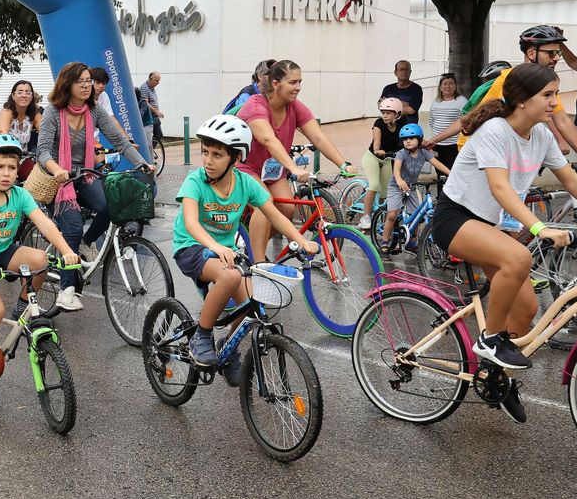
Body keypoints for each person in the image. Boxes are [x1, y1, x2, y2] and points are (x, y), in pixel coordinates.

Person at [427, 63, 577, 422]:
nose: (555, 102)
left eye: (556, 94)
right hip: (456, 217)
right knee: (518, 257)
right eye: (548, 95)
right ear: (521, 100)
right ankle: (489, 340)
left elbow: (572, 181)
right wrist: (539, 228)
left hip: (489, 224)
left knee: (525, 311)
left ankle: (497, 381)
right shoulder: (495, 130)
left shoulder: (540, 136)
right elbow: (500, 187)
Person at [174, 115, 319, 368]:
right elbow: (191, 223)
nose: (208, 160)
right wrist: (216, 247)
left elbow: (275, 215)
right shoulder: (195, 181)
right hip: (192, 247)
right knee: (230, 277)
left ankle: (227, 351)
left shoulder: (245, 184)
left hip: (224, 253)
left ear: (236, 158)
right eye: (205, 152)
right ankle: (202, 336)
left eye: (217, 155)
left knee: (252, 303)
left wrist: (301, 240)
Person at [0, 134, 79, 400]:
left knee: (40, 260)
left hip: (2, 252)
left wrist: (68, 252)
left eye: (12, 167)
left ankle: (23, 308)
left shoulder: (20, 195)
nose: (7, 174)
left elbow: (45, 224)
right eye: (0, 167)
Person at [36, 61, 153, 311]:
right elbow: (43, 151)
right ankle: (67, 291)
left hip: (84, 175)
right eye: (81, 81)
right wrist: (57, 169)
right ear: (67, 84)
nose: (87, 86)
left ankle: (85, 242)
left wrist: (142, 163)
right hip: (58, 180)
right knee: (73, 226)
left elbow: (119, 141)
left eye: (89, 81)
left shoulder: (95, 111)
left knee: (110, 207)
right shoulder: (53, 112)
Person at [236, 59, 357, 262]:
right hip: (245, 167)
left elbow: (317, 137)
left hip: (272, 171)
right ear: (276, 84)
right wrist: (292, 167)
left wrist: (343, 164)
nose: (298, 88)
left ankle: (252, 240)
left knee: (287, 210)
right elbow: (268, 139)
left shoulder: (295, 107)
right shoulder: (255, 105)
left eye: (300, 82)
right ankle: (258, 264)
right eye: (293, 82)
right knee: (264, 204)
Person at [468, 25, 577, 157]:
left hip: (510, 148)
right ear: (532, 53)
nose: (556, 58)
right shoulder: (511, 78)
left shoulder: (545, 82)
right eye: (551, 53)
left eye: (558, 53)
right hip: (480, 146)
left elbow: (562, 120)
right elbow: (488, 117)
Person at [379, 123, 449, 251]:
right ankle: (384, 242)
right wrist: (399, 179)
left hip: (411, 187)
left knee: (416, 215)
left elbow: (437, 165)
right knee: (392, 215)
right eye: (405, 139)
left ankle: (412, 241)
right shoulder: (402, 154)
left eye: (411, 138)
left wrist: (451, 174)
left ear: (420, 139)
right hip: (396, 186)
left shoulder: (424, 153)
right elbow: (396, 169)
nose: (408, 141)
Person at [358, 97, 408, 228]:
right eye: (383, 112)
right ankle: (365, 217)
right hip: (372, 157)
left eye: (388, 113)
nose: (384, 116)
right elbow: (376, 140)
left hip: (387, 159)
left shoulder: (402, 124)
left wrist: (426, 147)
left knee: (386, 192)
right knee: (374, 185)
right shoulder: (379, 123)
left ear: (397, 114)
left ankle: (381, 216)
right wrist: (377, 150)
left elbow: (411, 138)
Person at [0, 79, 40, 179]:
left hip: (22, 158)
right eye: (20, 92)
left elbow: (46, 132)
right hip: (2, 155)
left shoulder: (34, 114)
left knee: (35, 176)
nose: (24, 95)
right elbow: (3, 135)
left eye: (28, 92)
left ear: (32, 97)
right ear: (13, 96)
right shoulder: (7, 112)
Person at [424, 73, 465, 168]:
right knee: (439, 170)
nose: (448, 86)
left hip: (454, 144)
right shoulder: (435, 102)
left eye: (451, 83)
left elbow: (464, 122)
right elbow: (431, 121)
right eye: (445, 84)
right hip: (436, 144)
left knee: (452, 170)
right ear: (440, 87)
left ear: (455, 86)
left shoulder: (461, 101)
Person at [139, 70, 165, 149]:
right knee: (152, 135)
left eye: (159, 81)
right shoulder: (145, 88)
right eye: (156, 80)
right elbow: (145, 103)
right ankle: (148, 151)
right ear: (150, 79)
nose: (158, 83)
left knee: (159, 135)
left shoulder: (152, 88)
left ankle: (150, 150)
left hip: (154, 116)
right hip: (150, 116)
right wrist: (156, 111)